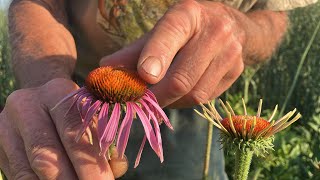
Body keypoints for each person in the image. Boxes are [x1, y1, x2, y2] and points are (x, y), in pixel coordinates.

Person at [0, 0, 317, 179]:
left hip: (191, 101)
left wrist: (240, 30)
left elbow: (274, 16)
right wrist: (45, 83)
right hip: (76, 97)